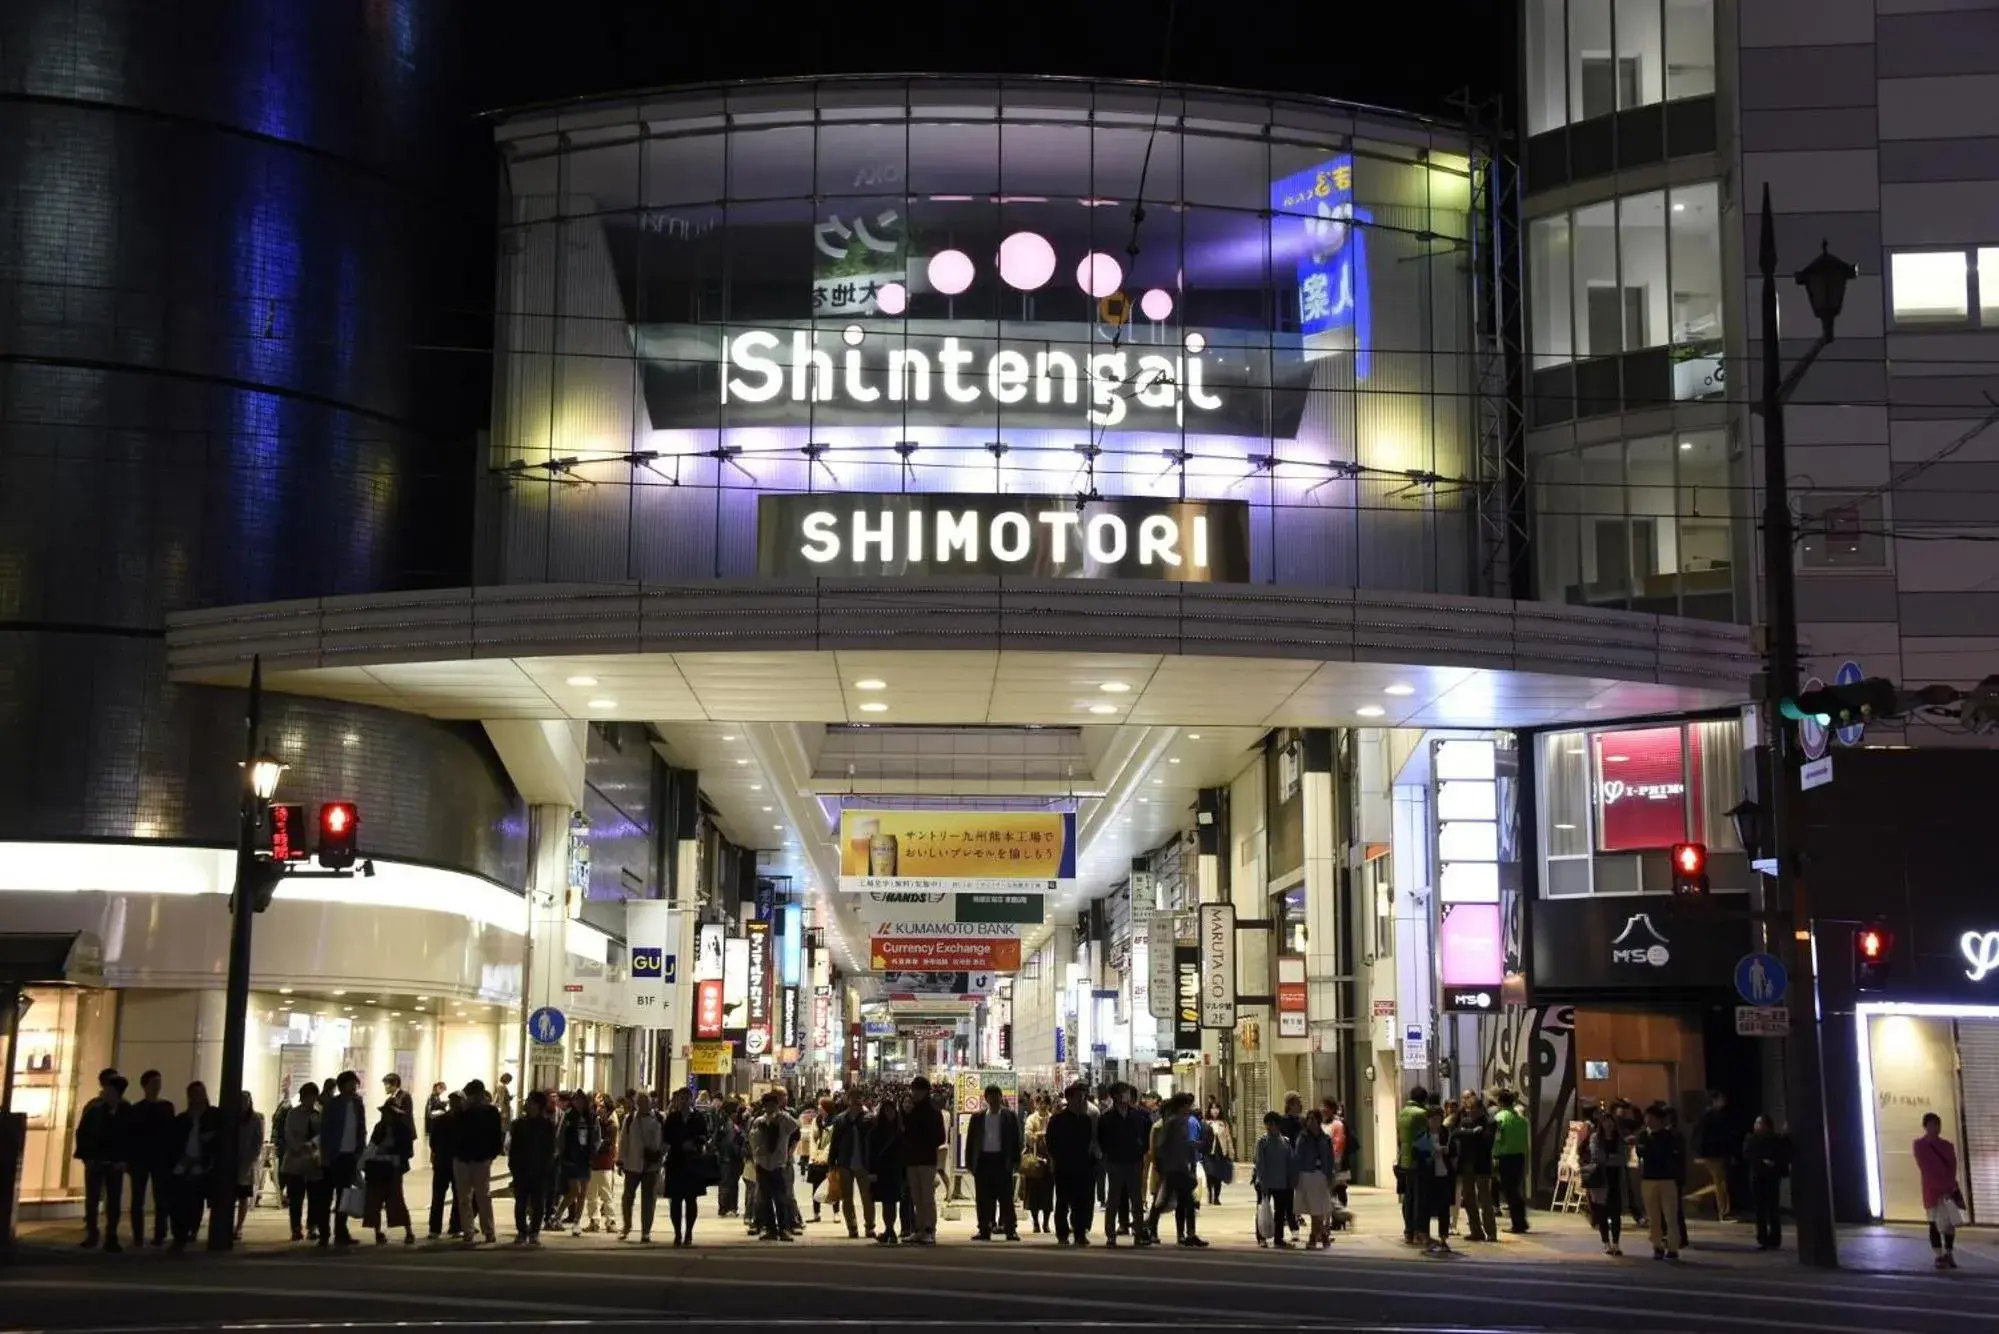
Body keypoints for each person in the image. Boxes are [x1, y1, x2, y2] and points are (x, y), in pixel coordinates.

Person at [74, 1068, 128, 1251]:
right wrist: (87, 1157)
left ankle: (110, 1235)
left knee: (112, 1200)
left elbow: (131, 1136)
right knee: (93, 1199)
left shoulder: (125, 1109)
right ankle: (93, 1232)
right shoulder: (95, 1108)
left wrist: (124, 1159)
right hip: (97, 1160)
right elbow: (83, 1134)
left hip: (114, 1162)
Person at [1145, 1092, 1207, 1247]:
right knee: (1164, 1202)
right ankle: (1149, 1227)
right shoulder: (1172, 1123)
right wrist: (1163, 1167)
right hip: (1173, 1169)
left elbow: (1182, 1144)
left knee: (1183, 1201)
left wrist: (1191, 1147)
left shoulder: (1183, 1122)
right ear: (1180, 1107)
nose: (1189, 1108)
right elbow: (1161, 1146)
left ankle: (1185, 1234)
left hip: (1180, 1168)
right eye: (1187, 1105)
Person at [121, 1069, 174, 1249]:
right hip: (141, 1159)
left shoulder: (165, 1107)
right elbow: (130, 1136)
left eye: (158, 1083)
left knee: (160, 1197)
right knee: (139, 1198)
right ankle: (139, 1235)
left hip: (158, 1158)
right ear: (145, 1086)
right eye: (154, 1083)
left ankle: (159, 1234)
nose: (157, 1087)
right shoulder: (137, 1110)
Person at [166, 1080, 219, 1252]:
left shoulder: (213, 1117)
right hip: (183, 1165)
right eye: (193, 1095)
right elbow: (173, 1143)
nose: (196, 1098)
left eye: (200, 1094)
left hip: (203, 1166)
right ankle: (179, 1236)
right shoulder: (182, 1120)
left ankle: (191, 1230)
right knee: (178, 1202)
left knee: (195, 1200)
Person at [965, 1083, 1023, 1242]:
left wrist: (1016, 1160)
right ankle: (984, 1229)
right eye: (991, 1097)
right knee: (983, 1198)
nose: (994, 1101)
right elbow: (971, 1141)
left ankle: (1010, 1229)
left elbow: (1017, 1140)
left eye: (997, 1097)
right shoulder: (977, 1117)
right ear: (986, 1099)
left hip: (1002, 1161)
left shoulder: (1009, 1116)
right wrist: (970, 1162)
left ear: (1000, 1097)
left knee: (1006, 1198)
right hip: (983, 1161)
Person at [360, 1089, 416, 1245]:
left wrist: (392, 1152)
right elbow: (372, 1146)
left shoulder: (402, 1130)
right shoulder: (380, 1127)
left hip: (393, 1168)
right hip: (377, 1168)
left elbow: (408, 1151)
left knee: (396, 1201)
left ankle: (408, 1231)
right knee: (375, 1201)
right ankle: (378, 1232)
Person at [1045, 1082, 1097, 1246]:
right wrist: (1054, 1160)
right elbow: (1050, 1142)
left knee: (1081, 1202)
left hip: (1083, 1166)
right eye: (1078, 1097)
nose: (1081, 1101)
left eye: (1083, 1097)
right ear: (1069, 1099)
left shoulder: (1086, 1120)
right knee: (1062, 1201)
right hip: (1064, 1166)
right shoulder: (1057, 1120)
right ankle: (1062, 1233)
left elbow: (1091, 1142)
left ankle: (1080, 1233)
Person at [1097, 1083, 1149, 1245]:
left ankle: (1139, 1233)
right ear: (1115, 1096)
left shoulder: (1138, 1116)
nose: (1127, 1097)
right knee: (1113, 1199)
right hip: (1115, 1162)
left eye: (1127, 1093)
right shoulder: (1106, 1118)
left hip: (1134, 1161)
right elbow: (1101, 1140)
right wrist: (1106, 1157)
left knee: (1137, 1200)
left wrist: (1141, 1150)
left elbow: (1146, 1136)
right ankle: (1110, 1235)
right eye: (1123, 1093)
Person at [319, 1071, 367, 1247]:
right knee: (326, 1197)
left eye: (355, 1083)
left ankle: (341, 1232)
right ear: (342, 1085)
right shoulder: (332, 1104)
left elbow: (361, 1129)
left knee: (344, 1196)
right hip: (333, 1155)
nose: (354, 1087)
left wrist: (360, 1152)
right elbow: (324, 1131)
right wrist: (324, 1155)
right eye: (351, 1083)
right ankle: (324, 1233)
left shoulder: (358, 1104)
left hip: (350, 1156)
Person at [453, 1079, 504, 1245]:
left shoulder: (489, 1112)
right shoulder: (463, 1112)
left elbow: (497, 1136)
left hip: (478, 1159)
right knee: (469, 1197)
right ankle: (470, 1230)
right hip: (465, 1158)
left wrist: (491, 1155)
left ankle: (486, 1230)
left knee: (478, 1196)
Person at [1913, 1111, 1964, 1270]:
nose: (1935, 1128)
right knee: (1934, 1222)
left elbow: (1952, 1167)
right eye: (1931, 1124)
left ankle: (1949, 1253)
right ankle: (1939, 1255)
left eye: (1937, 1124)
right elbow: (1925, 1168)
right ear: (1925, 1126)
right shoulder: (1920, 1145)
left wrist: (1949, 1187)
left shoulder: (1947, 1146)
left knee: (1949, 1224)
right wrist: (1941, 1188)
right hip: (1932, 1190)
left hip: (1948, 1189)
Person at [661, 1087, 711, 1247]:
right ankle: (677, 1233)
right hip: (675, 1161)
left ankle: (689, 1232)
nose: (683, 1101)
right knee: (675, 1200)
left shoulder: (698, 1117)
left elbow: (705, 1136)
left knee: (691, 1200)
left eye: (685, 1098)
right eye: (680, 1098)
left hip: (692, 1162)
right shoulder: (672, 1118)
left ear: (691, 1099)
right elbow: (666, 1138)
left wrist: (695, 1143)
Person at [901, 1075, 946, 1245]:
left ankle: (929, 1229)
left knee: (927, 1196)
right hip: (912, 1159)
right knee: (915, 1196)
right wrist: (906, 1114)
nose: (914, 1093)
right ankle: (918, 1229)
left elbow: (940, 1137)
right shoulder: (908, 1109)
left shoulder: (933, 1111)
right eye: (913, 1089)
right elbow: (904, 1131)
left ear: (925, 1091)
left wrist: (923, 1141)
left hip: (927, 1159)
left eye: (918, 1090)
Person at [750, 1090, 800, 1241]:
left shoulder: (784, 1119)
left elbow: (796, 1126)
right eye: (768, 1105)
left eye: (773, 1104)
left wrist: (782, 1116)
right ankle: (770, 1228)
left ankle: (783, 1229)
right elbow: (753, 1141)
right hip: (763, 1164)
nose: (770, 1107)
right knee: (765, 1199)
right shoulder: (759, 1121)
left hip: (779, 1164)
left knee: (780, 1198)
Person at [1636, 1101, 1683, 1261]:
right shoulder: (1642, 1135)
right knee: (1653, 1216)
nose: (1648, 1120)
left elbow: (1664, 1154)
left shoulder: (1668, 1136)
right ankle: (1657, 1245)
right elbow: (1640, 1152)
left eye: (1651, 1117)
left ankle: (1673, 1247)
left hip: (1667, 1179)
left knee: (1670, 1215)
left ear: (1659, 1119)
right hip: (1648, 1179)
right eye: (1646, 1117)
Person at [506, 1090, 555, 1245]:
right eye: (527, 1101)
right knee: (520, 1202)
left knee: (538, 1203)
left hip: (540, 1170)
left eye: (531, 1102)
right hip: (521, 1169)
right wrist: (513, 1166)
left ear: (539, 1106)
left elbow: (550, 1149)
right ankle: (521, 1231)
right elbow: (513, 1149)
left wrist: (547, 1168)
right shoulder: (519, 1124)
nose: (527, 1104)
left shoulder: (547, 1125)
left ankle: (534, 1232)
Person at [1581, 1107, 1628, 1257]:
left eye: (1611, 1121)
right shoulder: (1595, 1137)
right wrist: (1611, 1158)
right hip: (1601, 1180)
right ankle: (1606, 1243)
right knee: (1602, 1213)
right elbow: (1597, 1157)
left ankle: (1616, 1243)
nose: (1608, 1124)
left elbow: (1623, 1158)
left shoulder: (1619, 1139)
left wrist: (1609, 1158)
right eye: (1606, 1121)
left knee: (1615, 1213)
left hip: (1616, 1180)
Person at [618, 1090, 663, 1242]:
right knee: (627, 1197)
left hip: (651, 1166)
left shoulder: (658, 1118)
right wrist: (620, 1160)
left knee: (649, 1199)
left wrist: (661, 1156)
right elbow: (623, 1140)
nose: (643, 1104)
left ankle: (646, 1231)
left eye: (645, 1102)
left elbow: (664, 1140)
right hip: (632, 1164)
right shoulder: (629, 1119)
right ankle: (627, 1225)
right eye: (640, 1102)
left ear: (650, 1103)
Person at [830, 1092, 876, 1238]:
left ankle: (869, 1226)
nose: (855, 1102)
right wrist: (832, 1162)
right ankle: (852, 1226)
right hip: (845, 1162)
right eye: (852, 1099)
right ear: (848, 1100)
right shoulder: (840, 1119)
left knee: (867, 1197)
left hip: (864, 1163)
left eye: (858, 1099)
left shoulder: (868, 1118)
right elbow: (835, 1141)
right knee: (847, 1197)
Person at [1453, 1093, 1497, 1243]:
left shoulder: (1489, 1121)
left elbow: (1487, 1143)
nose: (1467, 1105)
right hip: (1466, 1164)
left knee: (1485, 1199)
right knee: (1469, 1199)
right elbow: (1455, 1133)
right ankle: (1476, 1231)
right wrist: (1471, 1132)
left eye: (1469, 1100)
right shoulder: (1462, 1118)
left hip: (1481, 1164)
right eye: (1464, 1100)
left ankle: (1491, 1232)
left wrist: (1468, 1135)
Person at [1686, 1091, 1734, 1222]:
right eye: (1721, 1098)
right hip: (1713, 1154)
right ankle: (1723, 1213)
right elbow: (1704, 1136)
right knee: (1720, 1183)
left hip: (1713, 1153)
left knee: (1719, 1182)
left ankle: (1696, 1197)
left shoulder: (1709, 1116)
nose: (1724, 1102)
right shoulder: (1710, 1116)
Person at [1742, 1114, 1788, 1252]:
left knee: (1773, 1208)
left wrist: (1774, 1162)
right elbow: (1747, 1154)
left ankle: (1774, 1238)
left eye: (1759, 1123)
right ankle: (1762, 1238)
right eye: (1756, 1123)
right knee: (1760, 1210)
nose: (1757, 1126)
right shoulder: (1751, 1139)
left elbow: (1783, 1154)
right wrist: (1762, 1160)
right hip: (1758, 1177)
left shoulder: (1776, 1140)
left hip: (1771, 1177)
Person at [1252, 1110, 1297, 1248]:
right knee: (1262, 1210)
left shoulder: (1285, 1142)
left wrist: (1291, 1180)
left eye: (1272, 1124)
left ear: (1278, 1125)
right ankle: (1261, 1237)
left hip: (1281, 1182)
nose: (1269, 1127)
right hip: (1265, 1182)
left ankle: (1279, 1238)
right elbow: (1259, 1163)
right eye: (1267, 1124)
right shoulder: (1262, 1142)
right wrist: (1262, 1182)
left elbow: (1290, 1162)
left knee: (1280, 1212)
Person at [1293, 1108, 1337, 1249]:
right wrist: (1295, 1177)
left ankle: (1317, 1236)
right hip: (1307, 1175)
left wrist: (1330, 1175)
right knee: (1314, 1209)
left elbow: (1330, 1158)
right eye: (1309, 1119)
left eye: (1313, 1119)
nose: (1310, 1122)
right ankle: (1320, 1235)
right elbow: (1297, 1158)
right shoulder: (1303, 1137)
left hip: (1321, 1175)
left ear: (1318, 1121)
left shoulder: (1325, 1138)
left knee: (1320, 1208)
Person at [866, 1098, 907, 1245]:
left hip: (895, 1170)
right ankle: (889, 1230)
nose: (889, 1114)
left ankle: (890, 1230)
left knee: (892, 1202)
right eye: (886, 1111)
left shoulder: (900, 1131)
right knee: (885, 1202)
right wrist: (871, 1171)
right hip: (881, 1171)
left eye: (891, 1111)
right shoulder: (875, 1131)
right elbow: (870, 1153)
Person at [556, 1087, 596, 1235]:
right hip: (571, 1157)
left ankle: (577, 1221)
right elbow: (560, 1136)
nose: (579, 1103)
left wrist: (593, 1154)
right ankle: (558, 1215)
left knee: (583, 1191)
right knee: (574, 1190)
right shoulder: (568, 1116)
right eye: (576, 1100)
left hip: (585, 1157)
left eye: (581, 1100)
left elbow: (595, 1136)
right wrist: (562, 1153)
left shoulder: (589, 1117)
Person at [1492, 1089, 1531, 1234]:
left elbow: (1497, 1139)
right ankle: (1521, 1221)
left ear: (1500, 1102)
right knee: (1516, 1190)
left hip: (1505, 1158)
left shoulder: (1500, 1118)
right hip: (1519, 1157)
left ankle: (1518, 1224)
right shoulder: (1521, 1120)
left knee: (1510, 1192)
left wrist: (1493, 1155)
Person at [426, 1091, 462, 1239]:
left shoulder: (440, 1120)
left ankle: (435, 1228)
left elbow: (432, 1142)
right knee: (458, 1195)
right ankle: (455, 1227)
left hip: (442, 1161)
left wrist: (436, 1153)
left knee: (438, 1196)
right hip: (457, 1161)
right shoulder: (464, 1122)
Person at [233, 1091, 265, 1241]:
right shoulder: (232, 1118)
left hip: (246, 1162)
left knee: (243, 1196)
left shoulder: (255, 1119)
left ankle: (239, 1226)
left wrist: (251, 1159)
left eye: (246, 1101)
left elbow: (257, 1142)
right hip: (232, 1162)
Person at [1020, 1093, 1054, 1235]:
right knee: (1033, 1193)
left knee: (1047, 1193)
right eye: (1040, 1103)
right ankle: (1035, 1222)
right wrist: (1039, 1135)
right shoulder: (1031, 1119)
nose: (1043, 1105)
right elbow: (1028, 1136)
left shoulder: (1052, 1118)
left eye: (1045, 1103)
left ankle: (1046, 1223)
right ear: (1036, 1104)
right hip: (1034, 1159)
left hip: (1049, 1160)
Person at [587, 1092, 619, 1233]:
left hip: (605, 1163)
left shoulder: (611, 1126)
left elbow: (607, 1144)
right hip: (593, 1163)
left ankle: (610, 1220)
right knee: (591, 1194)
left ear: (608, 1109)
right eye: (598, 1107)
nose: (599, 1109)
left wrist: (597, 1146)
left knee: (606, 1193)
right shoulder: (594, 1123)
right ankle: (594, 1220)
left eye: (602, 1107)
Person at [1202, 1103, 1234, 1205]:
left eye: (1217, 1108)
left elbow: (1228, 1138)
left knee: (1218, 1176)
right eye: (1213, 1108)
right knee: (1209, 1174)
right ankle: (1210, 1193)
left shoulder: (1223, 1123)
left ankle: (1216, 1197)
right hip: (1209, 1152)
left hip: (1220, 1152)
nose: (1215, 1110)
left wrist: (1231, 1152)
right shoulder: (1205, 1123)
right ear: (1209, 1110)